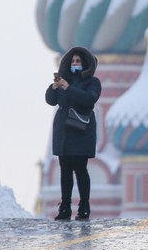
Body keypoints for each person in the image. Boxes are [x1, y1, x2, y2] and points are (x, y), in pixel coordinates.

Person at [45, 46, 101, 220]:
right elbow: (50, 100)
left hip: (81, 129)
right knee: (65, 171)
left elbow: (89, 99)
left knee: (80, 169)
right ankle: (65, 207)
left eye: (78, 61)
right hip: (64, 130)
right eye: (72, 61)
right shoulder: (64, 80)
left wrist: (68, 88)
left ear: (85, 64)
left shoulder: (92, 82)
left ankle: (84, 206)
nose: (75, 64)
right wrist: (54, 87)